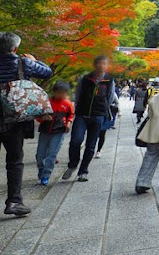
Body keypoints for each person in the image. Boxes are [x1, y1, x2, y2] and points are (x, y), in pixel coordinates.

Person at [0, 32, 53, 216]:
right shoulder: (23, 63)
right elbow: (47, 72)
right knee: (14, 161)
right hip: (13, 120)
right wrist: (35, 60)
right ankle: (14, 202)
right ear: (15, 48)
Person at [63, 55, 116, 182]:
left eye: (104, 63)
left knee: (91, 145)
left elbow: (110, 97)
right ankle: (73, 164)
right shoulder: (85, 78)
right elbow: (78, 94)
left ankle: (83, 171)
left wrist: (102, 109)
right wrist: (78, 108)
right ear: (95, 65)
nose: (102, 66)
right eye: (100, 63)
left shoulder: (109, 80)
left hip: (98, 115)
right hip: (82, 114)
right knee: (76, 140)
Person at [36, 81, 74, 185]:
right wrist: (43, 118)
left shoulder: (67, 104)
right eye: (59, 92)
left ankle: (46, 175)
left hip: (59, 131)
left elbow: (70, 115)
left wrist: (68, 124)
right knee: (40, 154)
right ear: (54, 92)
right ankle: (41, 168)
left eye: (64, 93)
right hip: (45, 130)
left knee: (52, 154)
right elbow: (38, 116)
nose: (62, 95)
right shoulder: (47, 102)